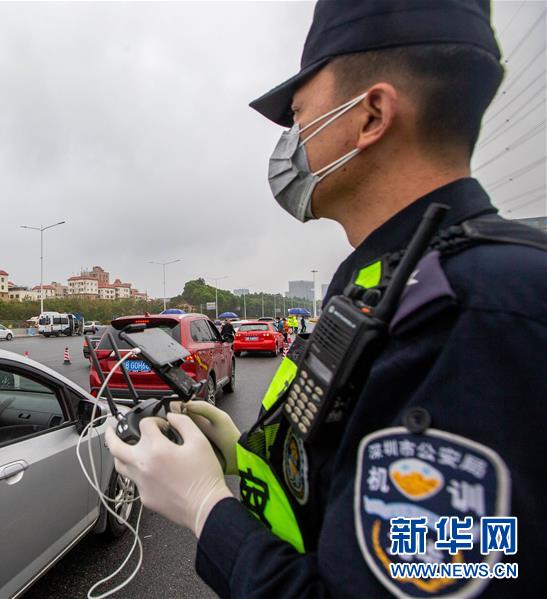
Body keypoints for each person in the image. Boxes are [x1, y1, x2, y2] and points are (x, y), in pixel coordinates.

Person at [106, 1, 546, 597]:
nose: (293, 140)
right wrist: (242, 458)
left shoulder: (479, 312)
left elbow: (432, 569)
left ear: (371, 116)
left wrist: (206, 507)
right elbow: (353, 490)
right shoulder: (386, 280)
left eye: (300, 114)